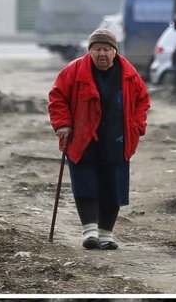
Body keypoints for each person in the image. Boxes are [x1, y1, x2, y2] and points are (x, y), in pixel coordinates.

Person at [48, 26, 150, 250]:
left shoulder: (129, 74)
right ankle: (90, 232)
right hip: (83, 137)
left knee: (112, 186)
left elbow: (142, 100)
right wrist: (63, 124)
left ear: (115, 51)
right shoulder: (74, 71)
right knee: (86, 183)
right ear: (89, 51)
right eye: (96, 49)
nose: (101, 54)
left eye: (106, 49)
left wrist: (137, 125)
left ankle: (106, 234)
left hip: (117, 137)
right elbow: (57, 98)